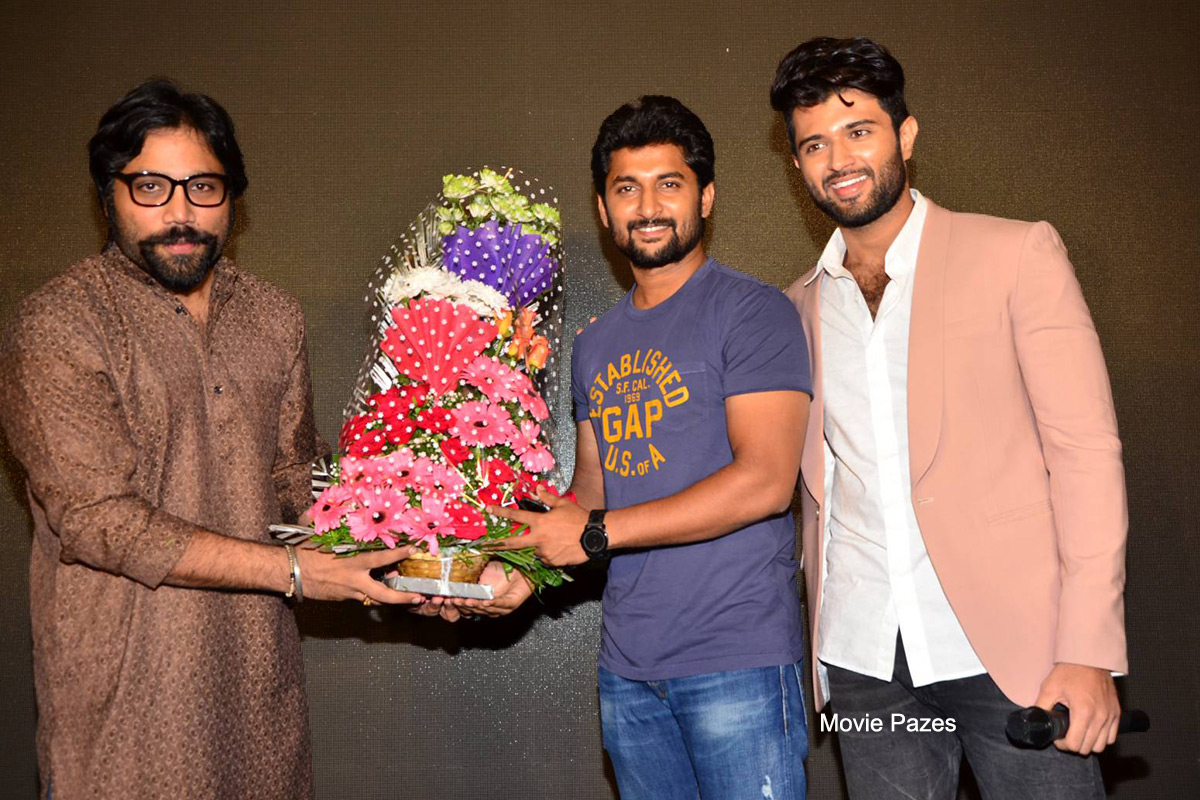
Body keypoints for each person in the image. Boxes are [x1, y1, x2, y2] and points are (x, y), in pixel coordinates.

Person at [0, 79, 422, 800]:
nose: (180, 213)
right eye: (151, 187)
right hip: (126, 709)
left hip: (258, 694)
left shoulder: (273, 315)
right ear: (108, 193)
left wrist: (416, 536)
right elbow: (96, 520)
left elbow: (295, 480)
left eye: (203, 187)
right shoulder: (60, 323)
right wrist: (296, 573)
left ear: (233, 197)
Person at [769, 37, 1127, 799]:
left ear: (905, 135)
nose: (838, 159)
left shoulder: (1015, 254)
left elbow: (1086, 454)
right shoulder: (797, 305)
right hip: (863, 657)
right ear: (796, 165)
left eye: (858, 131)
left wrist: (1089, 648)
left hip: (1017, 652)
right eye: (814, 144)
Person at [477, 96, 812, 800]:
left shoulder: (754, 311)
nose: (648, 206)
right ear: (604, 209)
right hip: (628, 671)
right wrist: (522, 566)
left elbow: (766, 481)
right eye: (627, 188)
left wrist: (595, 532)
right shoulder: (594, 345)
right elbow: (591, 493)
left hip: (739, 660)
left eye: (669, 184)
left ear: (706, 197)